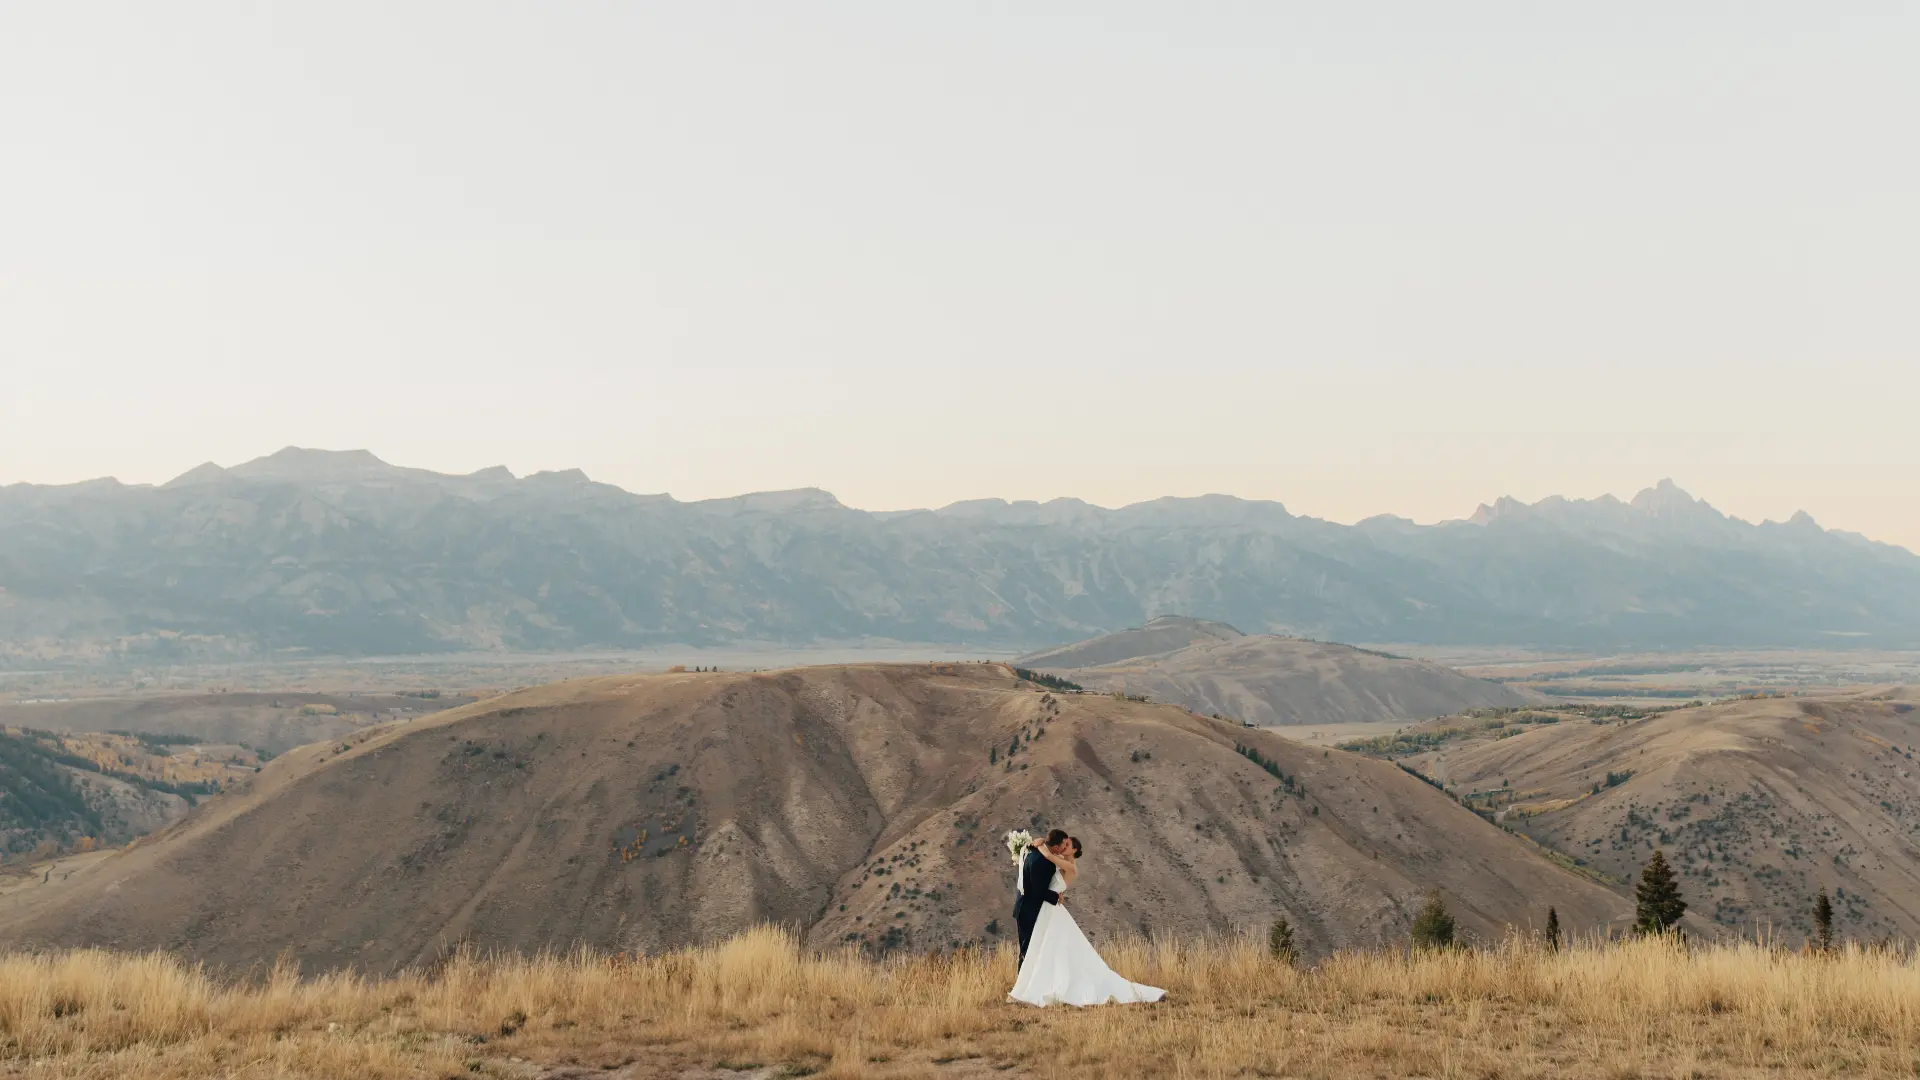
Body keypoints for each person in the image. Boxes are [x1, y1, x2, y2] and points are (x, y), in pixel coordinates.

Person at [1008, 834, 1166, 1007]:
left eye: (1067, 845)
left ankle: (1041, 987)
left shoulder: (1069, 866)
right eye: (1064, 843)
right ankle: (1034, 985)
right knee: (1044, 949)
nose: (1064, 847)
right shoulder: (1058, 860)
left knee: (1047, 949)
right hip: (1046, 909)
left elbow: (1049, 856)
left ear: (1074, 850)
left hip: (1050, 909)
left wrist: (1040, 845)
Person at [1013, 829, 1069, 964]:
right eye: (1064, 845)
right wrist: (1056, 897)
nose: (1065, 848)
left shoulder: (1035, 851)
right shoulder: (1043, 862)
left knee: (1033, 950)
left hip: (1029, 908)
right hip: (1028, 911)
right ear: (1056, 846)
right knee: (1027, 951)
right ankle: (1023, 984)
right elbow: (1038, 890)